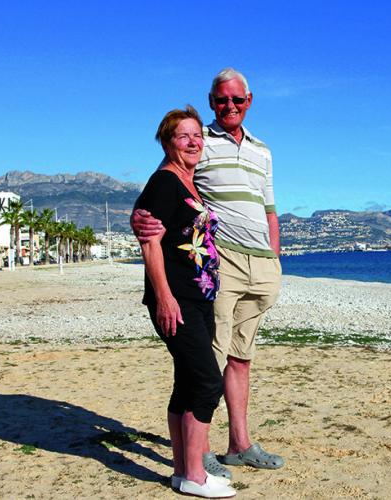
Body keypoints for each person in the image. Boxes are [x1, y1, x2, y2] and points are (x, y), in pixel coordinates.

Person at [133, 68, 284, 478]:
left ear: (249, 101)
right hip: (221, 265)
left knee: (241, 356)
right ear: (211, 101)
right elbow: (162, 188)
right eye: (221, 99)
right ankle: (199, 454)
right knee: (207, 362)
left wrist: (274, 258)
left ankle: (240, 444)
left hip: (261, 265)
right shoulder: (200, 140)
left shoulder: (263, 150)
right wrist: (138, 218)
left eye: (237, 99)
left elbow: (269, 208)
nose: (229, 105)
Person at [135, 105, 236, 498]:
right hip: (177, 299)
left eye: (197, 135)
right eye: (184, 136)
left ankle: (182, 472)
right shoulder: (165, 181)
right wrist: (164, 297)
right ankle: (196, 474)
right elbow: (150, 243)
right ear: (167, 143)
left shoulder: (189, 182)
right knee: (208, 382)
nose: (193, 142)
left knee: (187, 381)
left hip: (199, 298)